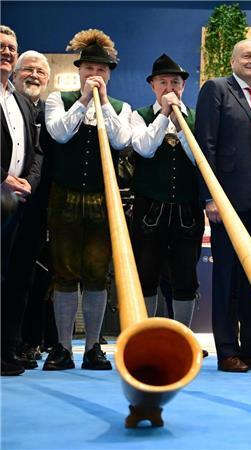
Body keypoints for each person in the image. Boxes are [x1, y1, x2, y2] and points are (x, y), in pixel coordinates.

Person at [42, 29, 132, 371]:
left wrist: (104, 103)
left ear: (109, 74)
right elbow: (59, 133)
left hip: (102, 198)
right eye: (89, 68)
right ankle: (63, 348)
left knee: (97, 274)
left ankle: (94, 347)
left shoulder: (120, 108)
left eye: (102, 69)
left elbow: (122, 139)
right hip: (63, 197)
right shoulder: (58, 99)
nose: (95, 74)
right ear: (79, 70)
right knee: (64, 274)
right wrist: (83, 100)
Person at [195, 39, 251, 373]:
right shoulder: (216, 89)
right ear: (232, 60)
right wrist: (209, 196)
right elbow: (205, 145)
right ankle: (227, 349)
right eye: (247, 55)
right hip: (227, 200)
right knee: (226, 276)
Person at [130, 54, 203, 332]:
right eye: (163, 82)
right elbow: (144, 148)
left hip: (187, 208)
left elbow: (199, 159)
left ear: (183, 87)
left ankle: (182, 336)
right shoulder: (140, 116)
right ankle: (146, 334)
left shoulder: (195, 118)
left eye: (175, 82)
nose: (169, 87)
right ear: (152, 86)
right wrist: (163, 115)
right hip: (149, 206)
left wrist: (180, 122)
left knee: (186, 274)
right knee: (146, 273)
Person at [0, 25, 43, 376]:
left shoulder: (20, 101)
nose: (7, 52)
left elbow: (37, 151)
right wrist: (3, 179)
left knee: (16, 280)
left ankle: (8, 350)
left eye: (11, 47)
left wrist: (28, 180)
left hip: (19, 205)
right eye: (1, 47)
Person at [5, 48, 52, 368]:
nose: (34, 76)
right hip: (3, 198)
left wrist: (30, 183)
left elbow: (37, 155)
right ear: (16, 73)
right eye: (28, 70)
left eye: (40, 72)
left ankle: (15, 344)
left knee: (24, 279)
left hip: (31, 206)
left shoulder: (39, 109)